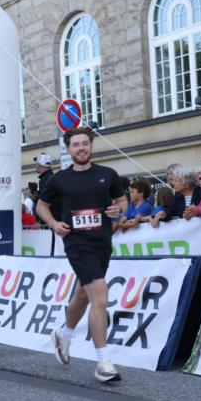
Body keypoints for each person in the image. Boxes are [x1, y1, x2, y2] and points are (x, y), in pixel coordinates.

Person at [36, 128, 127, 383]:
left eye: (84, 144)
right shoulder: (59, 180)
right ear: (68, 149)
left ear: (91, 146)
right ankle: (104, 363)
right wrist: (54, 224)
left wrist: (116, 211)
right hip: (76, 243)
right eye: (75, 145)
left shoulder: (107, 175)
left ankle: (63, 336)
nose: (80, 148)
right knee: (99, 295)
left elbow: (122, 202)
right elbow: (40, 206)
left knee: (82, 294)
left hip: (102, 243)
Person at [32, 153, 58, 221]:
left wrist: (40, 221)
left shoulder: (45, 180)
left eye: (36, 163)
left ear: (40, 164)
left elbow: (46, 203)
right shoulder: (51, 177)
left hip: (49, 222)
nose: (35, 165)